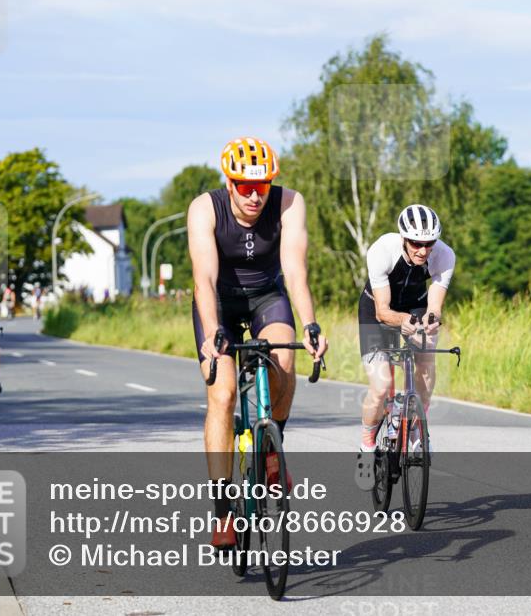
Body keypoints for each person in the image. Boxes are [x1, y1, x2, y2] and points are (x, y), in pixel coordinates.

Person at [187, 136, 328, 550]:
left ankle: (272, 451)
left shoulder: (289, 203)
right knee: (224, 395)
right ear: (228, 183)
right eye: (245, 187)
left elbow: (296, 271)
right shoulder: (204, 208)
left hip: (268, 295)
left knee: (284, 361)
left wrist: (310, 324)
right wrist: (213, 330)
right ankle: (223, 511)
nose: (254, 196)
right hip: (220, 303)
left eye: (261, 186)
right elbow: (204, 279)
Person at [354, 205, 455, 490]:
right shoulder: (381, 251)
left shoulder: (445, 256)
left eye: (429, 243)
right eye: (416, 243)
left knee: (426, 358)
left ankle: (417, 429)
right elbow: (383, 311)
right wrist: (403, 321)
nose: (423, 250)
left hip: (415, 304)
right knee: (381, 382)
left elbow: (434, 306)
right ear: (403, 238)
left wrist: (431, 321)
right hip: (377, 308)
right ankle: (367, 446)